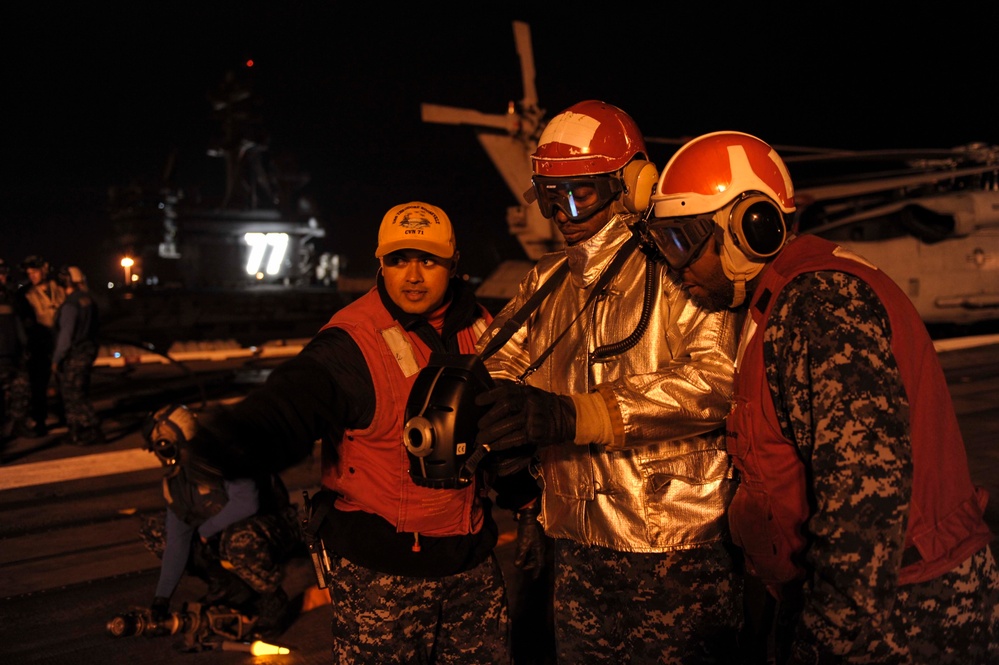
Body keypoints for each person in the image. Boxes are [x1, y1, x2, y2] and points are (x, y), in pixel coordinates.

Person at [644, 130, 999, 663]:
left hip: (906, 614)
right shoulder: (777, 303)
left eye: (684, 241)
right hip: (876, 604)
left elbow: (865, 512)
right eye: (665, 243)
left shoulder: (819, 305)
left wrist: (818, 645)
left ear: (749, 229)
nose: (675, 267)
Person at [179, 201, 539, 664]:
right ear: (381, 265)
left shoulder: (483, 330)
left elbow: (496, 430)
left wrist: (526, 505)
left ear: (454, 264)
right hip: (382, 577)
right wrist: (233, 440)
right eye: (398, 260)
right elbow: (296, 398)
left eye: (427, 260)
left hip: (469, 563)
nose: (412, 275)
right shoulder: (353, 340)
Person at [473, 100, 743, 664]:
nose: (565, 214)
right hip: (572, 539)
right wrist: (497, 410)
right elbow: (495, 362)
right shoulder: (546, 281)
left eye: (581, 194)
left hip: (671, 542)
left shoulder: (678, 262)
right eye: (551, 199)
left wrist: (576, 415)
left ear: (634, 185)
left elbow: (717, 378)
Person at [139, 403, 307, 639]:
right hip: (228, 531)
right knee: (158, 532)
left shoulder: (223, 457)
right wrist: (161, 599)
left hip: (275, 524)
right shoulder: (177, 482)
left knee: (239, 540)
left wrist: (207, 530)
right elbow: (177, 541)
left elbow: (247, 502)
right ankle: (230, 588)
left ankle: (272, 601)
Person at [51, 266, 104, 445]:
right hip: (88, 350)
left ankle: (93, 428)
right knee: (76, 390)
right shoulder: (87, 300)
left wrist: (56, 359)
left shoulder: (70, 305)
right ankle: (76, 431)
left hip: (75, 354)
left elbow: (66, 335)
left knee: (73, 393)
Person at [17, 255, 65, 437]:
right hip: (40, 345)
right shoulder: (26, 295)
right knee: (39, 385)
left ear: (44, 270)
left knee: (65, 383)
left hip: (60, 342)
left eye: (35, 272)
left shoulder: (59, 290)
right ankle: (40, 420)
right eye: (29, 274)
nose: (32, 277)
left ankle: (66, 415)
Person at [0, 258, 31, 447]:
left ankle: (19, 424)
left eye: (4, 273)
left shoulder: (12, 297)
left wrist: (24, 347)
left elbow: (18, 324)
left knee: (21, 390)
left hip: (13, 354)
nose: (2, 277)